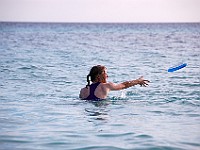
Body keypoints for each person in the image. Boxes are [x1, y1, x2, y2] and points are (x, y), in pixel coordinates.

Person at [79, 65, 150, 100]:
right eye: (105, 73)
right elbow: (124, 85)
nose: (107, 76)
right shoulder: (105, 86)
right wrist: (137, 81)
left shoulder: (83, 91)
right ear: (99, 75)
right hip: (100, 110)